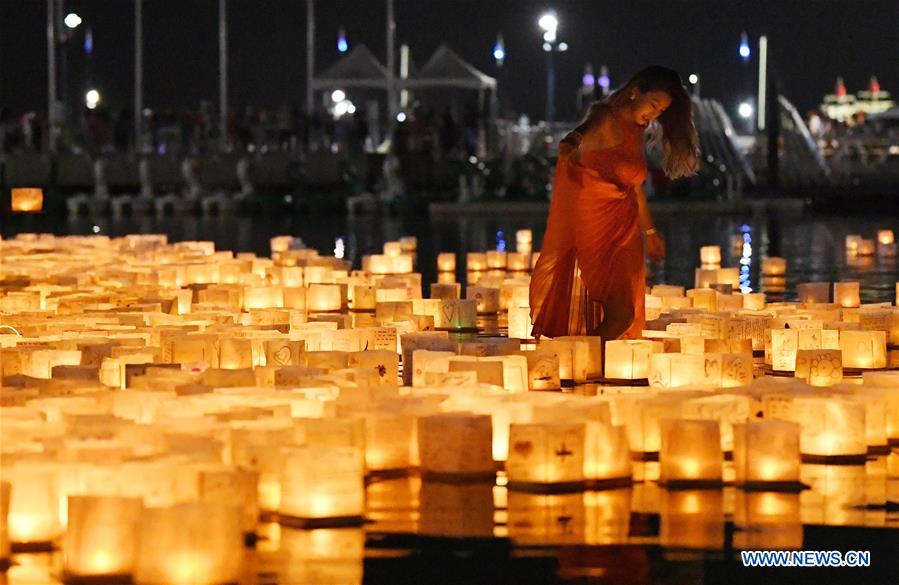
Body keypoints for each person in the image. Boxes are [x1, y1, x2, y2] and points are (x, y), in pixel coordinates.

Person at [529, 66, 700, 341]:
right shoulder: (605, 115)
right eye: (653, 105)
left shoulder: (636, 130)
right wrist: (571, 142)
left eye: (660, 112)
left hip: (626, 231)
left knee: (625, 313)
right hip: (597, 226)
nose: (654, 116)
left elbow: (635, 188)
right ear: (635, 92)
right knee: (622, 314)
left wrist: (651, 233)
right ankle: (574, 360)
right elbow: (583, 131)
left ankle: (590, 364)